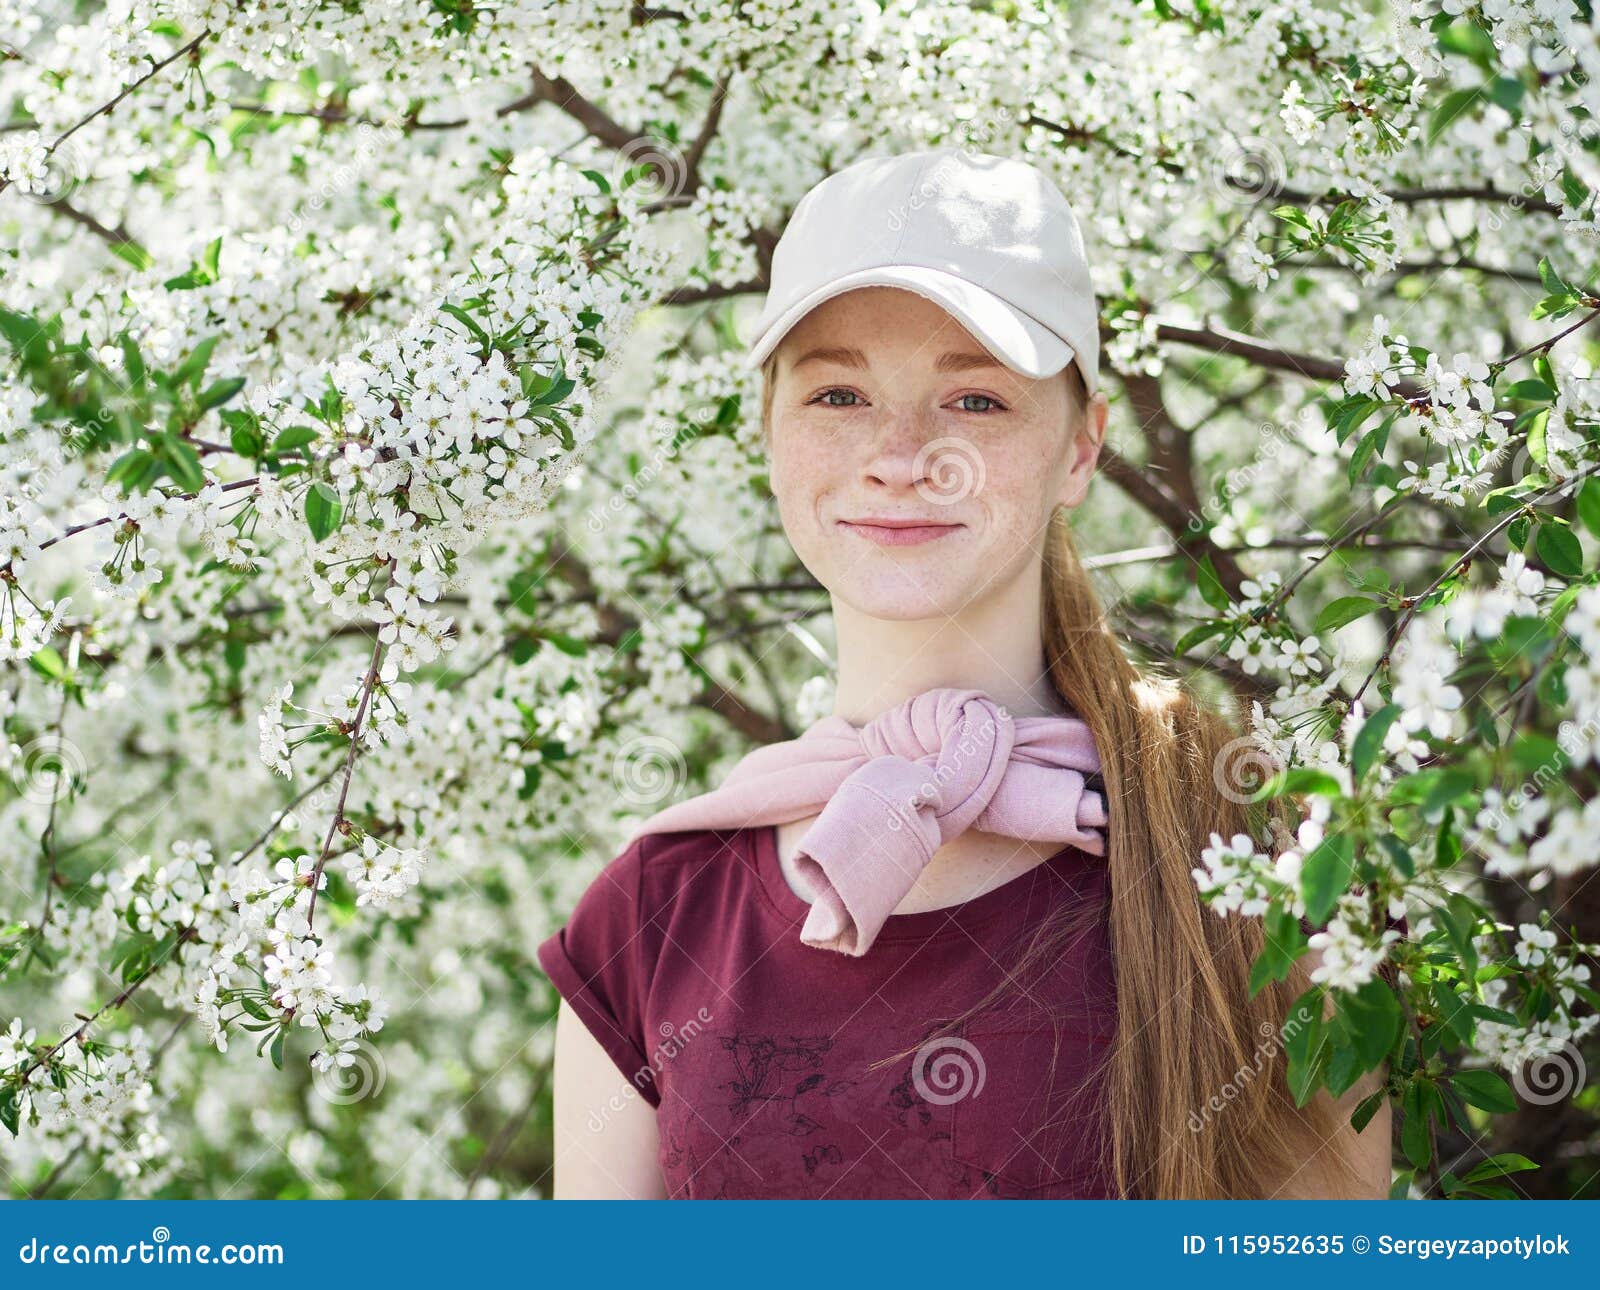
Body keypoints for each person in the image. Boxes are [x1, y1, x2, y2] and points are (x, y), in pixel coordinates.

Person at [536, 147, 1393, 1199]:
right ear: (767, 433)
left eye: (976, 401)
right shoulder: (650, 917)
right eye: (839, 394)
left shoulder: (1244, 855)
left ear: (1081, 447)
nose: (901, 454)